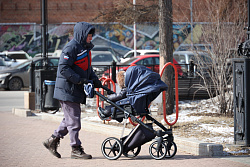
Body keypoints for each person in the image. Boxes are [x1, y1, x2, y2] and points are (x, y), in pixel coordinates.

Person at [43, 22, 102, 159]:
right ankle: (75, 148)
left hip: (74, 90)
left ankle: (52, 140)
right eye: (89, 35)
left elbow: (87, 69)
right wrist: (79, 80)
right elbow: (63, 68)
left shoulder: (84, 48)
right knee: (74, 120)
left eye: (91, 35)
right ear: (82, 34)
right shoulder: (71, 48)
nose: (91, 37)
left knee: (69, 119)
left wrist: (95, 80)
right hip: (67, 90)